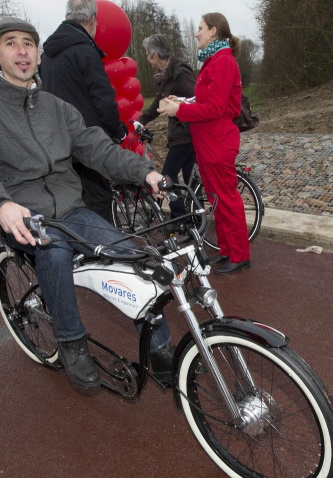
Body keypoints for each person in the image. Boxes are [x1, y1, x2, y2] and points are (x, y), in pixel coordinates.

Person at [0, 17, 172, 391]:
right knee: (52, 251)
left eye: (28, 43)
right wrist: (0, 204)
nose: (22, 50)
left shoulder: (57, 108)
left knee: (129, 253)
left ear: (38, 55)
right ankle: (70, 342)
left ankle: (161, 345)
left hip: (71, 209)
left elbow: (98, 148)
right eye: (10, 43)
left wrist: (145, 172)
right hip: (23, 214)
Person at [158, 13, 250, 274]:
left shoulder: (222, 62)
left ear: (213, 31)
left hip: (218, 140)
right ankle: (227, 249)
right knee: (216, 198)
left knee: (226, 198)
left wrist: (180, 111)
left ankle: (240, 254)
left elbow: (216, 107)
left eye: (200, 29)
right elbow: (205, 100)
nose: (196, 33)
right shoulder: (213, 60)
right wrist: (184, 102)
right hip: (208, 140)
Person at [39, 0, 128, 221]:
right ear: (92, 20)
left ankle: (83, 250)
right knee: (99, 200)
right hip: (88, 141)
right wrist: (117, 130)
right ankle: (105, 252)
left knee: (74, 202)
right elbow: (104, 100)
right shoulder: (85, 51)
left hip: (59, 142)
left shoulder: (46, 55)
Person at [133, 34, 196, 221]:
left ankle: (180, 218)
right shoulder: (167, 75)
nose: (146, 58)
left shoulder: (179, 72)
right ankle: (194, 215)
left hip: (186, 133)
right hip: (182, 133)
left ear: (154, 55)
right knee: (188, 178)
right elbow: (158, 105)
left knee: (167, 176)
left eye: (147, 54)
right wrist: (141, 120)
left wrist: (179, 106)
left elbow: (196, 97)